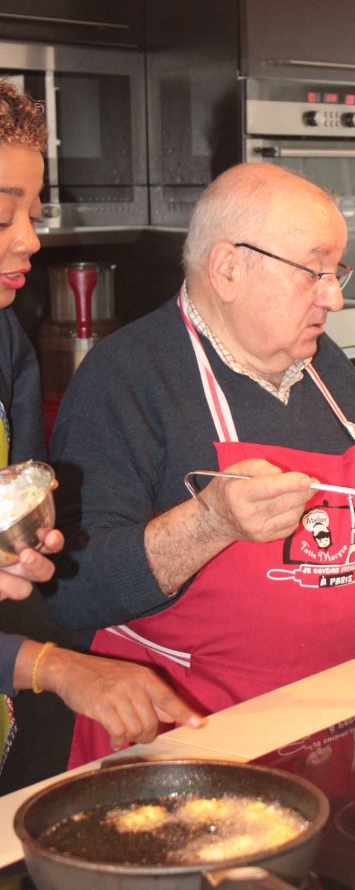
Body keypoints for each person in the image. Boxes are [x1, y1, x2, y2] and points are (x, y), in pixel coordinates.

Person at [46, 160, 355, 768]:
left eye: (337, 272)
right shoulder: (125, 379)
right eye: (314, 271)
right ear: (228, 268)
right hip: (181, 747)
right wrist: (210, 522)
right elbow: (74, 593)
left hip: (332, 727)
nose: (336, 296)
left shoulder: (327, 370)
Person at [0, 77, 203, 790]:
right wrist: (50, 666)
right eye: (2, 216)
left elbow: (18, 501)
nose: (31, 238)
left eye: (33, 209)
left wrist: (24, 554)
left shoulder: (6, 340)